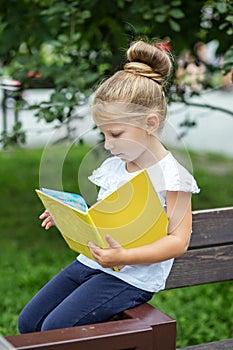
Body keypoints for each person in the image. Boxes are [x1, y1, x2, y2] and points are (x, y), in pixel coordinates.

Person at [18, 39, 199, 333]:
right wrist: (70, 217)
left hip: (129, 277)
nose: (107, 144)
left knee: (56, 326)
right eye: (103, 134)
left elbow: (178, 242)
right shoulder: (115, 165)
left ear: (150, 124)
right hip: (92, 262)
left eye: (115, 133)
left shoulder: (172, 177)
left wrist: (123, 257)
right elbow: (109, 215)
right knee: (29, 322)